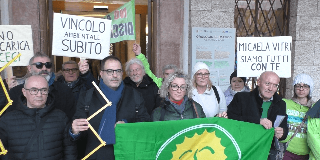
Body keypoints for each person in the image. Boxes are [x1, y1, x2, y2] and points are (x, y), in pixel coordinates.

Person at [70, 56, 150, 160]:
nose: (115, 75)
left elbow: (145, 122)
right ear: (101, 73)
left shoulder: (134, 95)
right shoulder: (87, 96)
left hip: (126, 155)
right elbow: (78, 130)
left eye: (118, 71)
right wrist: (74, 131)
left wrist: (127, 125)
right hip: (95, 155)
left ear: (122, 73)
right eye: (109, 71)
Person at [0, 75, 77, 160]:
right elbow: (3, 151)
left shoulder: (61, 117)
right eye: (34, 90)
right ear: (24, 92)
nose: (39, 94)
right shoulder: (7, 120)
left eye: (44, 90)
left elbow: (69, 149)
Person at [227, 71, 288, 160]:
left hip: (267, 153)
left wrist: (282, 133)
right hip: (243, 151)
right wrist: (257, 121)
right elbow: (230, 120)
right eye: (267, 83)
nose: (271, 88)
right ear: (258, 82)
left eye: (275, 85)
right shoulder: (241, 98)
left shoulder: (281, 104)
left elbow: (284, 128)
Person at [7, 52, 76, 120]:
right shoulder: (16, 92)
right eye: (39, 65)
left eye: (48, 65)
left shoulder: (64, 90)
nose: (44, 68)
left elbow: (69, 120)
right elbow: (10, 120)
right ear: (30, 68)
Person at [281, 73, 314, 159]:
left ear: (310, 88)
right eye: (298, 85)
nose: (301, 89)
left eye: (305, 86)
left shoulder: (314, 108)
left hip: (306, 153)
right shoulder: (284, 103)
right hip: (287, 151)